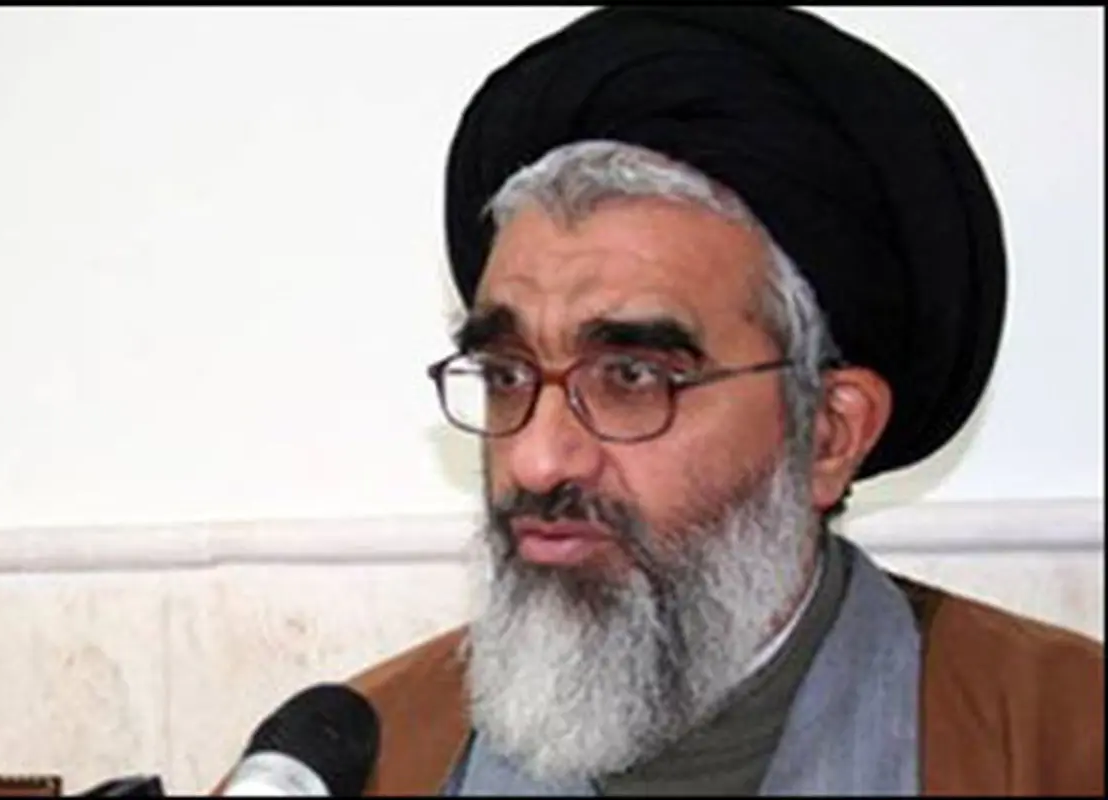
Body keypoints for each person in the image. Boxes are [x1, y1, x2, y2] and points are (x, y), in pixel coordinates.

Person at [219, 6, 1103, 796]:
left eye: (632, 378)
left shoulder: (1065, 744)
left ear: (829, 434)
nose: (536, 459)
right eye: (507, 375)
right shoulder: (363, 765)